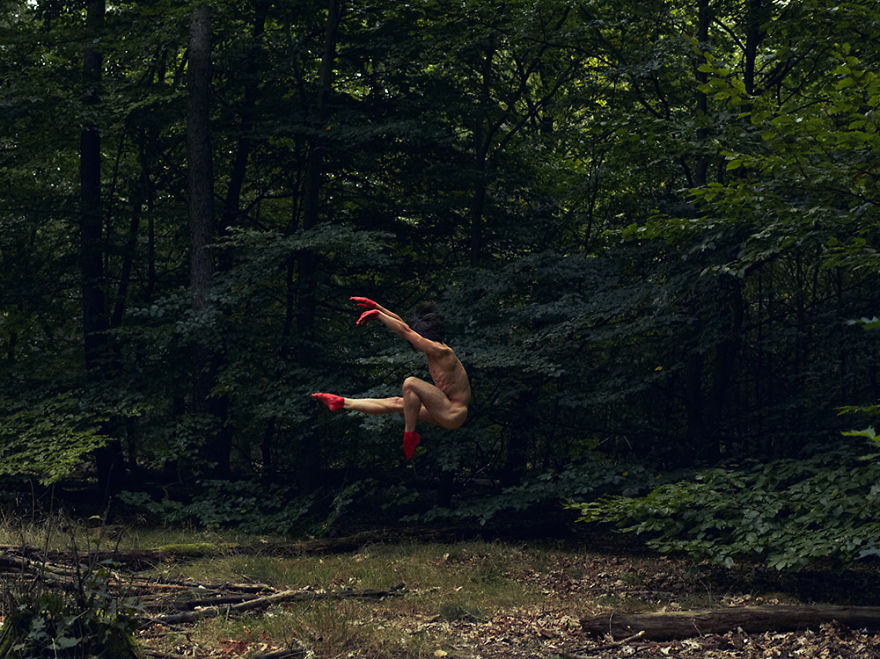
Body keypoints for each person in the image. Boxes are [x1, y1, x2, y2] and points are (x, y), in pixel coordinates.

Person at [312, 297, 471, 460]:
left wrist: (378, 314)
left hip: (453, 412)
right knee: (398, 402)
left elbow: (406, 332)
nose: (415, 344)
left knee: (410, 383)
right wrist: (377, 307)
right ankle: (342, 402)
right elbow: (405, 328)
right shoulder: (433, 347)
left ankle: (410, 435)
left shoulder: (442, 352)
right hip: (442, 409)